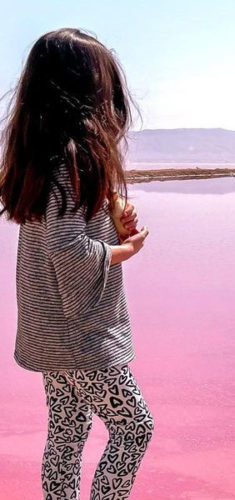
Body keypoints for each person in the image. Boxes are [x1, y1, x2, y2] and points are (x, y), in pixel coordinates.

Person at [0, 28, 153, 499]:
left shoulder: (45, 159)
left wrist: (113, 222)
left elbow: (66, 235)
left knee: (68, 434)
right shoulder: (70, 160)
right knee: (134, 429)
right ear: (88, 94)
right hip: (81, 336)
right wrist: (125, 251)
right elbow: (69, 252)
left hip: (51, 332)